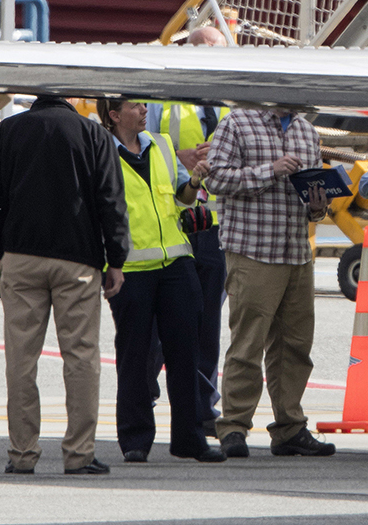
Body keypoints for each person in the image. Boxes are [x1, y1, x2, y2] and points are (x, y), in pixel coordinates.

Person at [0, 94, 130, 476]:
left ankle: (22, 453)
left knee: (20, 360)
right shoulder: (93, 134)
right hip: (77, 259)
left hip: (20, 256)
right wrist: (116, 258)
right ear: (70, 97)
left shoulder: (6, 131)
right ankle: (79, 453)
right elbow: (111, 199)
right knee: (81, 357)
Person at [203, 107, 336, 459]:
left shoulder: (306, 131)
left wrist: (318, 206)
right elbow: (215, 179)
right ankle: (234, 426)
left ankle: (290, 427)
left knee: (295, 346)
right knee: (248, 343)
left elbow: (310, 197)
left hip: (296, 252)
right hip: (253, 250)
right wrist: (270, 170)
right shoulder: (237, 123)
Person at [98, 97, 225, 464]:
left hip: (176, 262)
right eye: (135, 106)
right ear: (114, 115)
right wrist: (110, 263)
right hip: (132, 268)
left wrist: (195, 182)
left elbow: (183, 198)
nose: (143, 110)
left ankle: (190, 438)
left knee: (185, 353)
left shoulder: (162, 146)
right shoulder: (102, 154)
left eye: (143, 105)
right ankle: (135, 439)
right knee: (135, 357)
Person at [145, 28, 230, 436]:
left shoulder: (232, 99)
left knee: (207, 324)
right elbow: (137, 144)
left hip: (216, 224)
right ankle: (144, 396)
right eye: (204, 52)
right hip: (173, 223)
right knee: (158, 324)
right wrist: (177, 156)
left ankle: (202, 407)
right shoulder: (164, 97)